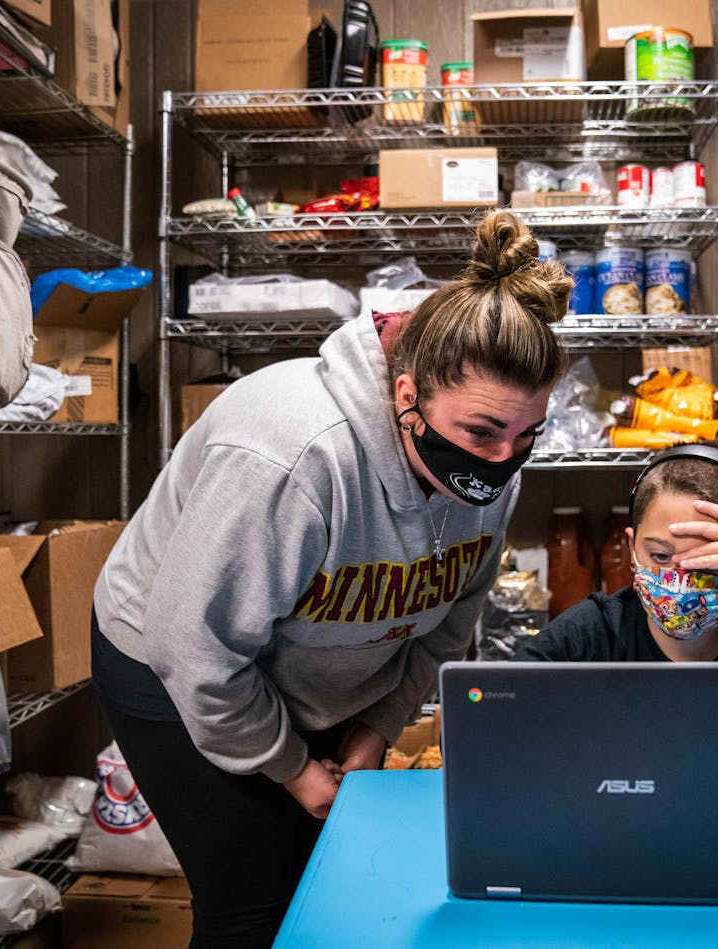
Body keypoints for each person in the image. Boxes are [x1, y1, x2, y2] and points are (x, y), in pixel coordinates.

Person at [90, 209, 570, 947]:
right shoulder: (292, 456)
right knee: (250, 902)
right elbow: (195, 649)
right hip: (174, 661)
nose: (503, 462)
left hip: (309, 661)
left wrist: (378, 725)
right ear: (407, 395)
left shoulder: (493, 467)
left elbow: (444, 630)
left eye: (524, 437)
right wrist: (291, 767)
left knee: (330, 880)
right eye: (480, 432)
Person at [513, 443, 718, 663]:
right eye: (659, 556)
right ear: (632, 547)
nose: (679, 580)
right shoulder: (592, 632)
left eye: (706, 561)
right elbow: (493, 701)